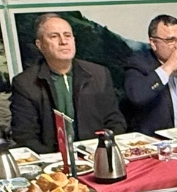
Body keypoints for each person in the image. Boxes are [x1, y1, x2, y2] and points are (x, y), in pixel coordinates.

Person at [9, 13, 126, 153]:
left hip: (97, 154)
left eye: (67, 35)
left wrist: (102, 150)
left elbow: (115, 121)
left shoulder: (99, 74)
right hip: (52, 162)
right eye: (54, 36)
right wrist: (57, 160)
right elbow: (25, 135)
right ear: (40, 45)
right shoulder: (25, 83)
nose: (63, 41)